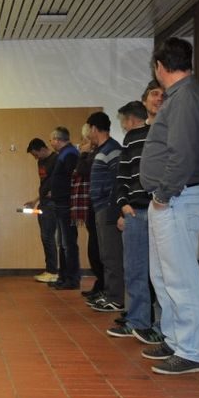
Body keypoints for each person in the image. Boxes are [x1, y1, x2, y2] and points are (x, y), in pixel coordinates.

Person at [140, 37, 199, 374]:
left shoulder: (185, 98)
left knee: (180, 276)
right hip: (172, 199)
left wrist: (163, 195)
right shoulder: (181, 95)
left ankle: (190, 351)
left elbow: (181, 154)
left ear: (160, 67)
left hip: (176, 198)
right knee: (163, 275)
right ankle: (173, 338)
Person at [109, 98, 163, 344]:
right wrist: (123, 205)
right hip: (139, 210)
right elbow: (123, 176)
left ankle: (154, 325)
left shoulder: (154, 133)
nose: (123, 126)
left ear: (130, 119)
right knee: (139, 270)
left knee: (152, 272)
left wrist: (126, 204)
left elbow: (124, 178)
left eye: (123, 121)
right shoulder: (135, 138)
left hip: (153, 209)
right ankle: (140, 322)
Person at [86, 112, 124, 313]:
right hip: (99, 207)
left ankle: (116, 298)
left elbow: (118, 181)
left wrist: (114, 208)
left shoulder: (113, 149)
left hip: (108, 208)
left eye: (88, 129)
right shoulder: (101, 150)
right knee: (104, 254)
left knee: (112, 255)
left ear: (94, 128)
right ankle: (109, 293)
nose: (88, 134)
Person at [72, 124, 102, 298]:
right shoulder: (93, 153)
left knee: (99, 250)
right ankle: (100, 284)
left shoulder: (97, 153)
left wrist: (82, 154)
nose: (84, 142)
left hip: (99, 205)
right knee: (94, 249)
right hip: (91, 205)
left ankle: (104, 286)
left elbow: (82, 170)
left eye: (86, 139)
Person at [48, 127, 80, 290]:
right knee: (62, 243)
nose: (51, 143)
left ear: (57, 139)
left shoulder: (70, 154)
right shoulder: (64, 153)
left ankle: (72, 279)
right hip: (61, 204)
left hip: (66, 205)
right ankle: (63, 276)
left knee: (68, 243)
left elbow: (72, 178)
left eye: (51, 140)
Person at [26, 138, 59, 282]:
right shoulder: (41, 162)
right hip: (44, 203)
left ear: (43, 149)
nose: (35, 158)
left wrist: (55, 192)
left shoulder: (56, 159)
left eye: (36, 154)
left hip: (52, 204)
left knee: (48, 237)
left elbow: (62, 180)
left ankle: (52, 271)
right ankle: (49, 270)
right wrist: (35, 200)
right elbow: (44, 185)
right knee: (45, 237)